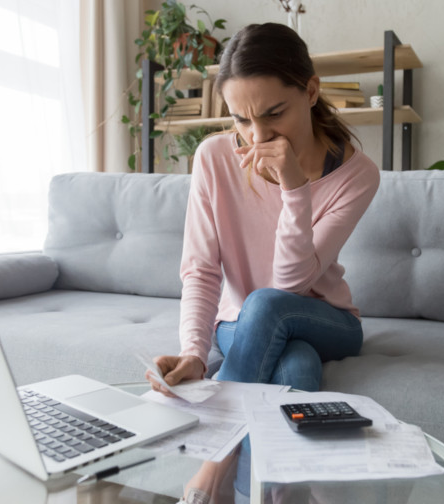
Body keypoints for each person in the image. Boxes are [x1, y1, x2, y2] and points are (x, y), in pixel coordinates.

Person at [146, 22, 380, 503]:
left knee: (270, 305)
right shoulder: (213, 158)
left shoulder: (357, 175)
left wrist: (294, 188)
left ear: (311, 90)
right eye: (240, 120)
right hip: (239, 323)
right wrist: (193, 352)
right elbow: (202, 270)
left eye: (275, 114)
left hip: (327, 320)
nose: (257, 136)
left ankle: (215, 461)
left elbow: (291, 285)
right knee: (295, 363)